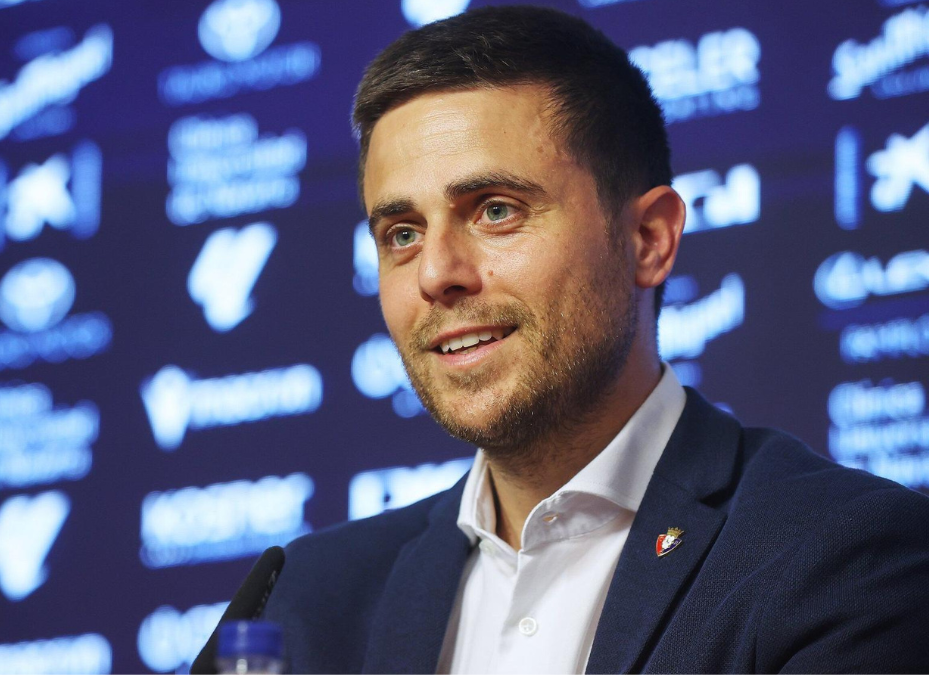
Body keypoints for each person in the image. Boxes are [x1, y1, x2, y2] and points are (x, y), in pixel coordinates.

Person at [210, 5, 929, 673]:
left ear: (648, 239)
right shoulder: (302, 602)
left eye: (495, 210)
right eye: (402, 233)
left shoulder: (844, 555)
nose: (436, 274)